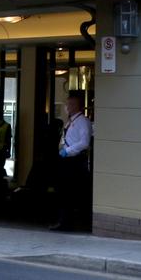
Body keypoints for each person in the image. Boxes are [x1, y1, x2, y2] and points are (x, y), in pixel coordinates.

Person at [50, 92, 93, 231]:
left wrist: (67, 151)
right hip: (66, 160)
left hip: (74, 161)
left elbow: (84, 142)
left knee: (70, 191)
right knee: (62, 191)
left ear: (76, 106)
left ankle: (68, 222)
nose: (67, 107)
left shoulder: (82, 122)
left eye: (69, 104)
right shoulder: (70, 121)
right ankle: (63, 220)